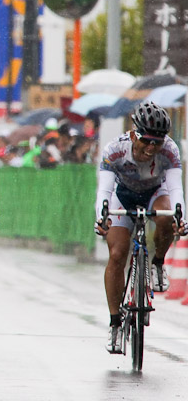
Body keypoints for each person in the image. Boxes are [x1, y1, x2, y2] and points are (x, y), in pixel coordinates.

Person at [94, 101, 188, 354]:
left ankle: (157, 263)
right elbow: (104, 190)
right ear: (134, 134)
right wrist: (101, 216)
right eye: (146, 141)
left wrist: (181, 215)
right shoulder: (115, 149)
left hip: (155, 193)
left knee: (166, 219)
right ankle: (115, 323)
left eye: (157, 142)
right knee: (117, 254)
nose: (151, 147)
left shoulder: (169, 150)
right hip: (122, 196)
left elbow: (176, 188)